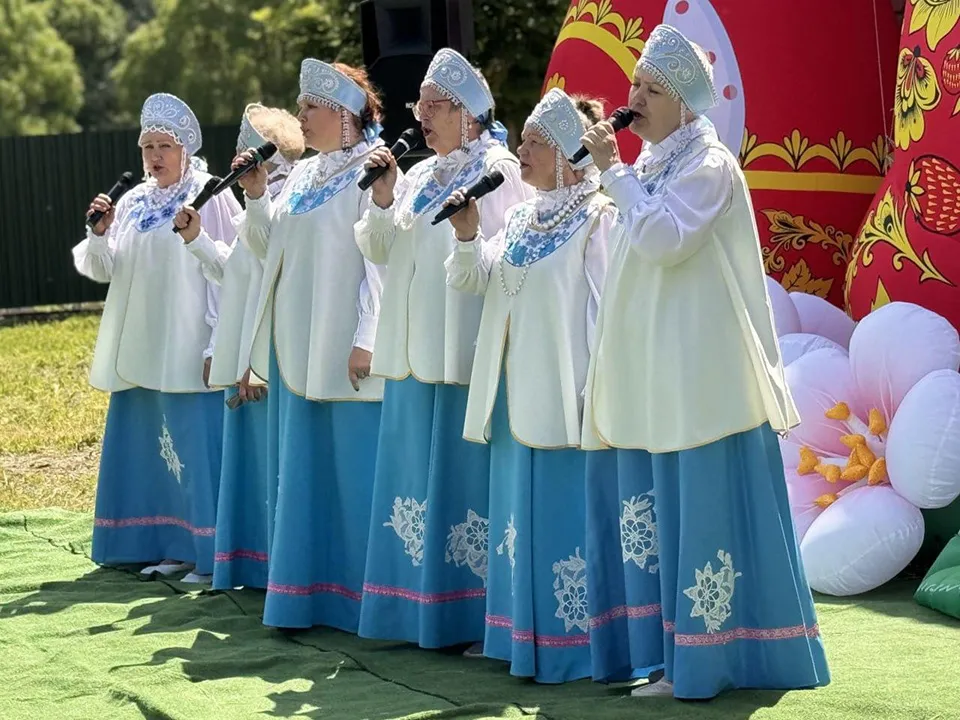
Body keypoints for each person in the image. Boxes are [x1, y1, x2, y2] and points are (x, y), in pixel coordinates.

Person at [578, 24, 830, 699]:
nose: (633, 99)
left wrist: (613, 173)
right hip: (656, 376)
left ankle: (706, 662)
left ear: (686, 102)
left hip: (700, 382)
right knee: (658, 518)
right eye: (633, 83)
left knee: (699, 514)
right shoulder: (657, 164)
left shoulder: (709, 164)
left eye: (651, 89)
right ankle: (667, 658)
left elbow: (664, 242)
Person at [355, 47, 533, 650]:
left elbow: (504, 264)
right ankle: (414, 614)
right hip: (411, 351)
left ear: (470, 114)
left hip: (464, 353)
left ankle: (470, 617)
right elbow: (380, 251)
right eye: (420, 105)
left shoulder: (500, 171)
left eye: (436, 106)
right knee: (414, 483)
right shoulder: (421, 173)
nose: (423, 117)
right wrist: (382, 195)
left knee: (464, 488)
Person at [444, 88, 614, 682]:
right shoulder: (519, 214)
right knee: (517, 520)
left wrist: (597, 392)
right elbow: (474, 281)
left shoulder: (600, 215)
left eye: (537, 142)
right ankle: (519, 640)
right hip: (513, 391)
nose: (522, 150)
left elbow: (605, 312)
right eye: (525, 139)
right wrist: (466, 234)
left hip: (567, 393)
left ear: (569, 152)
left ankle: (576, 648)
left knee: (567, 517)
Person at [236, 60, 387, 632]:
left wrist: (367, 338)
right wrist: (254, 198)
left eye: (308, 108)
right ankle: (307, 594)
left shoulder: (368, 170)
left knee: (351, 472)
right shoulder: (301, 175)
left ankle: (359, 599)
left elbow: (380, 262)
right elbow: (267, 248)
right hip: (294, 345)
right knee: (304, 472)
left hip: (343, 344)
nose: (299, 117)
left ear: (344, 113)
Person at [73, 93, 241, 583]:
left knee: (193, 446)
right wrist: (101, 233)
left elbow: (227, 272)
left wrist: (217, 345)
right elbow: (104, 269)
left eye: (164, 145)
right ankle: (168, 545)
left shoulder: (210, 193)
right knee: (155, 451)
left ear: (185, 148)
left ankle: (205, 552)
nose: (153, 156)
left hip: (189, 343)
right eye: (147, 146)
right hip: (143, 348)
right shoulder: (133, 201)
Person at [193, 103, 304, 590]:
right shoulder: (256, 206)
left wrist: (252, 367)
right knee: (254, 467)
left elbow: (271, 290)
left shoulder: (280, 205)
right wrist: (196, 240)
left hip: (263, 362)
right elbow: (236, 276)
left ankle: (276, 570)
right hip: (245, 356)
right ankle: (256, 567)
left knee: (270, 465)